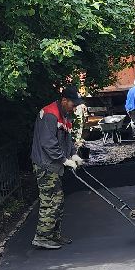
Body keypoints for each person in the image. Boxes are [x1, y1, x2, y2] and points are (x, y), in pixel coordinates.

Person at [30, 85, 82, 249]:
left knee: (58, 201)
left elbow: (67, 139)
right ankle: (42, 237)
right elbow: (48, 144)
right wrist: (64, 160)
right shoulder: (50, 114)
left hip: (54, 164)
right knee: (51, 201)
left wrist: (73, 154)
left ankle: (53, 235)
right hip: (46, 165)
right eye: (73, 104)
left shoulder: (65, 114)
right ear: (64, 100)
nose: (75, 108)